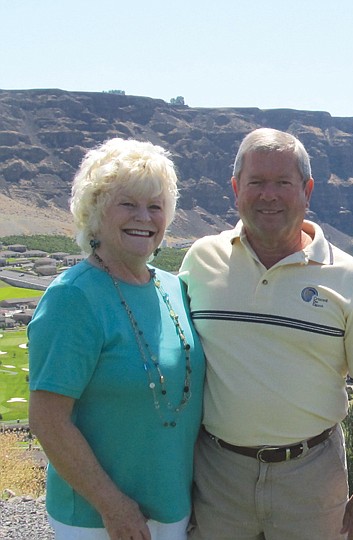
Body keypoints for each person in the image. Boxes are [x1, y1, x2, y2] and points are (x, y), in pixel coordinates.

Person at [179, 127, 353, 540]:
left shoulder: (352, 280)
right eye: (256, 182)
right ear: (235, 188)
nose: (269, 195)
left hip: (311, 477)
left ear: (307, 189)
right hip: (216, 474)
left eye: (283, 182)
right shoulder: (200, 261)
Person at [28, 138, 205, 540]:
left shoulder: (174, 288)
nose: (143, 217)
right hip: (98, 518)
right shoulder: (73, 298)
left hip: (173, 507)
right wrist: (113, 505)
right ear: (94, 212)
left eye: (155, 206)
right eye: (127, 203)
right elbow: (47, 419)